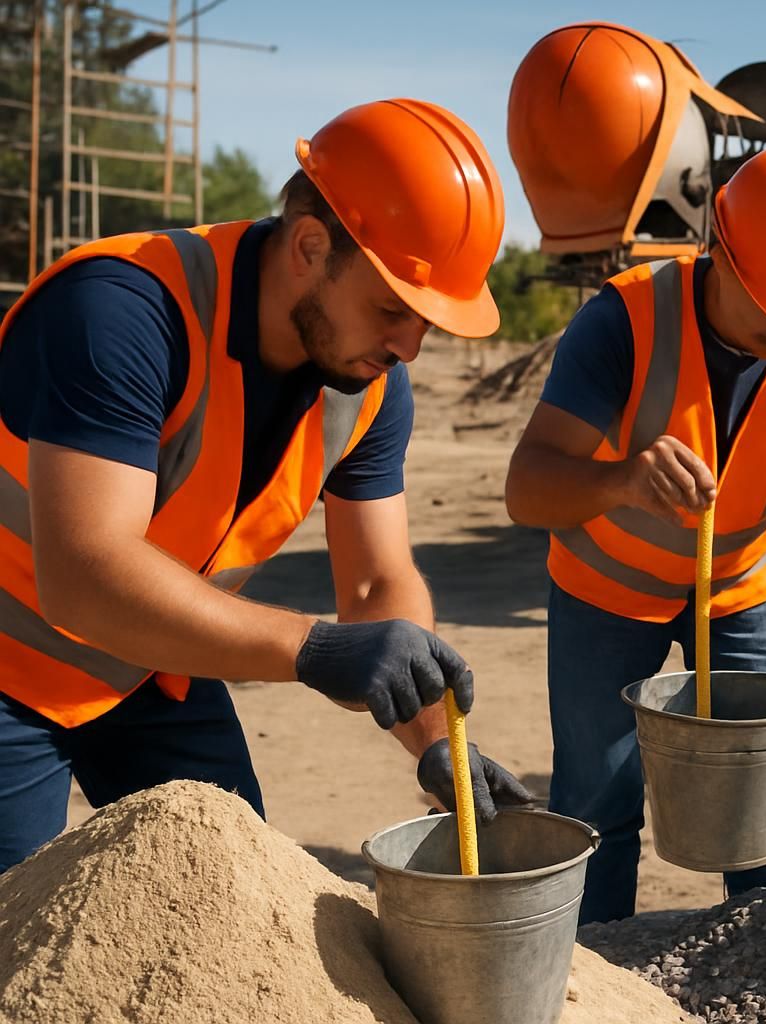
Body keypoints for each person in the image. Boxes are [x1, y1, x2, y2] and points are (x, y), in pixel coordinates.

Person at [0, 99, 531, 873]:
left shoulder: (369, 384)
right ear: (311, 246)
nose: (410, 345)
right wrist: (311, 648)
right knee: (16, 926)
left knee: (234, 891)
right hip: (10, 662)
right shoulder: (122, 311)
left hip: (146, 661)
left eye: (426, 319)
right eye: (393, 307)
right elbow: (83, 576)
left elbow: (377, 582)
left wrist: (431, 742)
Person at [505, 143, 766, 923]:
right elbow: (527, 488)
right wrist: (619, 480)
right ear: (721, 253)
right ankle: (598, 967)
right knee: (598, 802)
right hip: (607, 591)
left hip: (748, 589)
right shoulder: (623, 322)